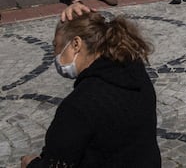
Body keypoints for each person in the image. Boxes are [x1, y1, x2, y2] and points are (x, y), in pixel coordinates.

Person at [20, 12, 160, 167]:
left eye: (56, 46)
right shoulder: (135, 74)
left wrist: (30, 164)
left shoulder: (79, 106)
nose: (54, 54)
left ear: (76, 44)